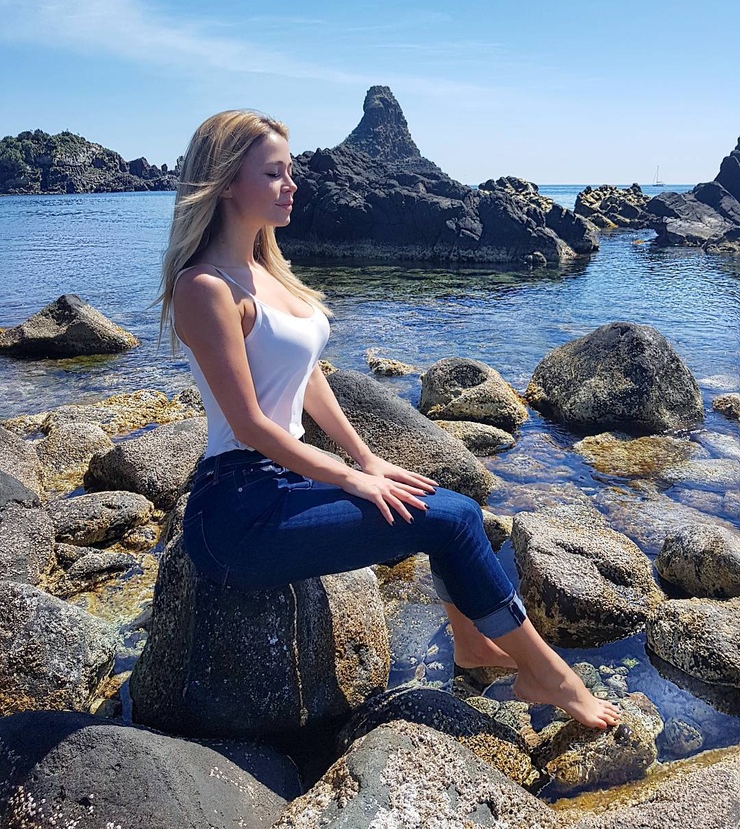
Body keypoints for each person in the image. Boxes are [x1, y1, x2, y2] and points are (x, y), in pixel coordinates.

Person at [158, 109, 620, 730]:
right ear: (224, 184)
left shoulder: (268, 274)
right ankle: (551, 676)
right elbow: (249, 426)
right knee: (451, 520)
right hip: (237, 511)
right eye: (273, 173)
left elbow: (309, 377)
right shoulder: (205, 287)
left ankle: (472, 643)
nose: (292, 185)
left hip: (282, 483)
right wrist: (351, 478)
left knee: (444, 502)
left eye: (290, 171)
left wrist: (368, 457)